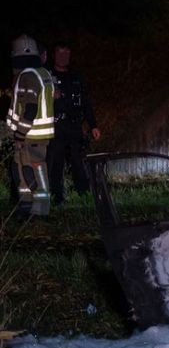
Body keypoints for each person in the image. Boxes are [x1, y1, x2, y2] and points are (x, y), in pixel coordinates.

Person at [6, 35, 56, 216]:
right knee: (21, 169)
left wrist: (19, 134)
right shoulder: (43, 73)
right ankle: (26, 206)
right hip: (34, 136)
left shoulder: (28, 76)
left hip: (30, 136)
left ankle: (40, 210)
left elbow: (30, 109)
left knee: (33, 171)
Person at [47, 42, 101, 205]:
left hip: (75, 127)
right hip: (56, 127)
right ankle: (57, 198)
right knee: (56, 164)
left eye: (66, 54)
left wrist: (93, 125)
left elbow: (86, 103)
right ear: (54, 55)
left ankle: (84, 196)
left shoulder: (77, 77)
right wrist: (50, 96)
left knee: (79, 163)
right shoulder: (47, 76)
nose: (63, 57)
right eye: (60, 53)